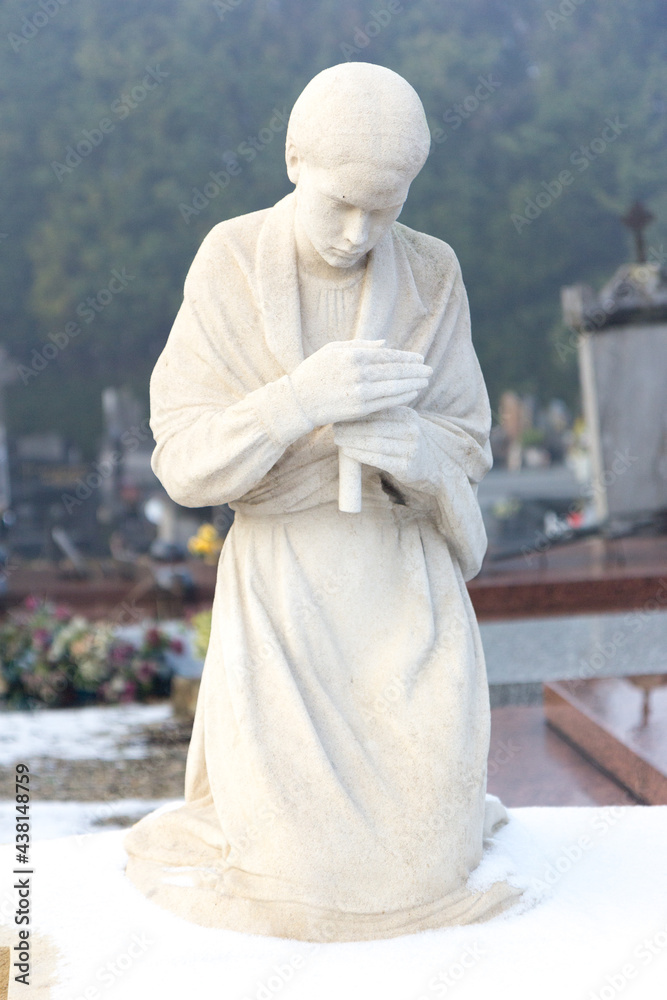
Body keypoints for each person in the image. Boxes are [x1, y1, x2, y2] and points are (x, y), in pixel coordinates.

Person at [125, 62, 519, 941]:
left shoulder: (431, 273)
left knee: (426, 861)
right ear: (294, 159)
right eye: (341, 202)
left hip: (406, 603)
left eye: (385, 207)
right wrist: (297, 402)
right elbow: (183, 460)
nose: (358, 231)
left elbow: (465, 439)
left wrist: (416, 454)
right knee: (302, 884)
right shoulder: (229, 259)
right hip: (286, 606)